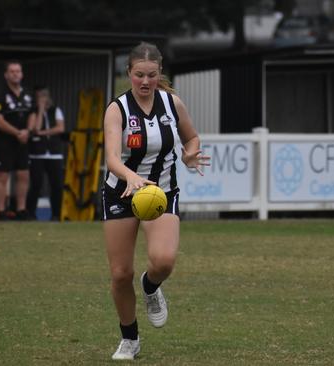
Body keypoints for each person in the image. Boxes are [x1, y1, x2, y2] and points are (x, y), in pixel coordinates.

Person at [102, 42, 210, 360]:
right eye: (139, 75)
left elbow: (191, 137)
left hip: (160, 192)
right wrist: (130, 176)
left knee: (163, 261)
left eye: (151, 75)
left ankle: (150, 286)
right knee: (120, 273)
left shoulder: (171, 103)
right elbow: (111, 159)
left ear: (159, 72)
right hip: (121, 192)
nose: (145, 82)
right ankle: (130, 339)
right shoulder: (117, 108)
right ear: (129, 74)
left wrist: (190, 155)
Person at [0, 60, 33, 220]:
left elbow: (33, 114)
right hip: (4, 141)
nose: (16, 74)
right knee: (2, 176)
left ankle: (21, 210)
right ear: (6, 74)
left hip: (22, 141)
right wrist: (17, 133)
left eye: (18, 71)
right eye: (12, 71)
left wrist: (27, 131)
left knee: (23, 175)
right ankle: (0, 211)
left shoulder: (27, 93)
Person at [26, 86, 65, 220]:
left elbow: (60, 128)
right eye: (40, 97)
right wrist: (41, 110)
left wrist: (43, 133)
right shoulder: (33, 112)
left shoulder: (56, 110)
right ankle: (31, 213)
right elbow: (35, 128)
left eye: (44, 96)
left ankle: (56, 214)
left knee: (57, 185)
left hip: (54, 154)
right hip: (37, 154)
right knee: (36, 184)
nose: (43, 99)